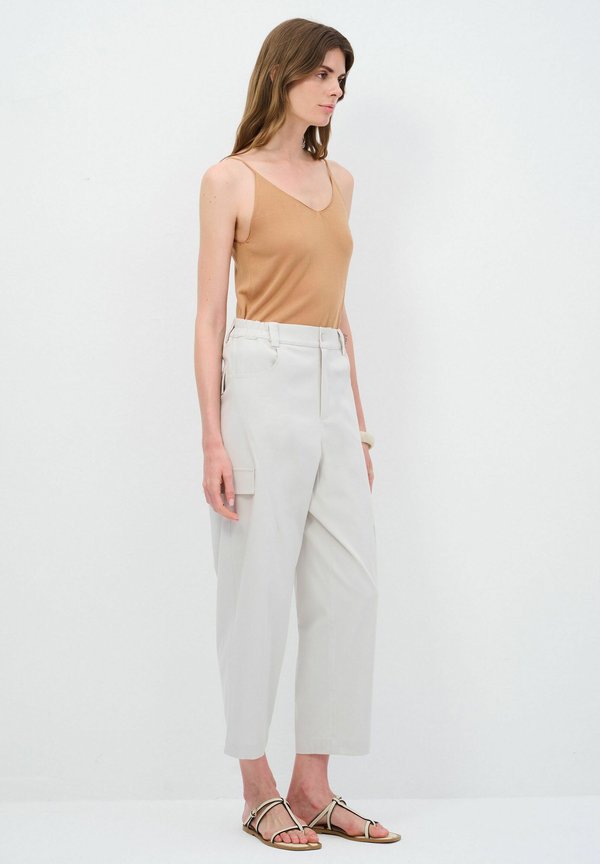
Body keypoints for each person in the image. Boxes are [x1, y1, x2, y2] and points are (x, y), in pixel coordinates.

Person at [194, 17, 400, 851]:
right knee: (256, 590)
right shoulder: (229, 179)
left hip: (329, 382)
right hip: (260, 376)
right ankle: (257, 789)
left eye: (342, 79)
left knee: (351, 589)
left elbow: (338, 308)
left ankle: (312, 787)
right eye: (322, 74)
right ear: (282, 74)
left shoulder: (340, 181)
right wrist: (212, 439)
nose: (335, 90)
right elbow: (209, 318)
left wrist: (359, 424)